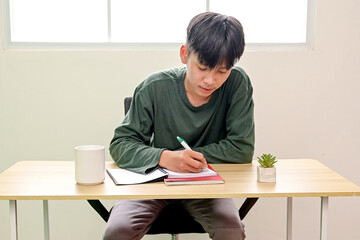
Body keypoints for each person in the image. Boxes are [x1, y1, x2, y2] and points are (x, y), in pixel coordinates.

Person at [104, 12, 254, 240]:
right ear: (185, 54)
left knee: (231, 231)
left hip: (208, 187)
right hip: (155, 181)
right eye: (203, 67)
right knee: (118, 231)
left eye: (222, 71)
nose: (210, 80)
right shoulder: (154, 87)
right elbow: (121, 144)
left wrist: (189, 159)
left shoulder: (237, 84)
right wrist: (166, 157)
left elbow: (242, 149)